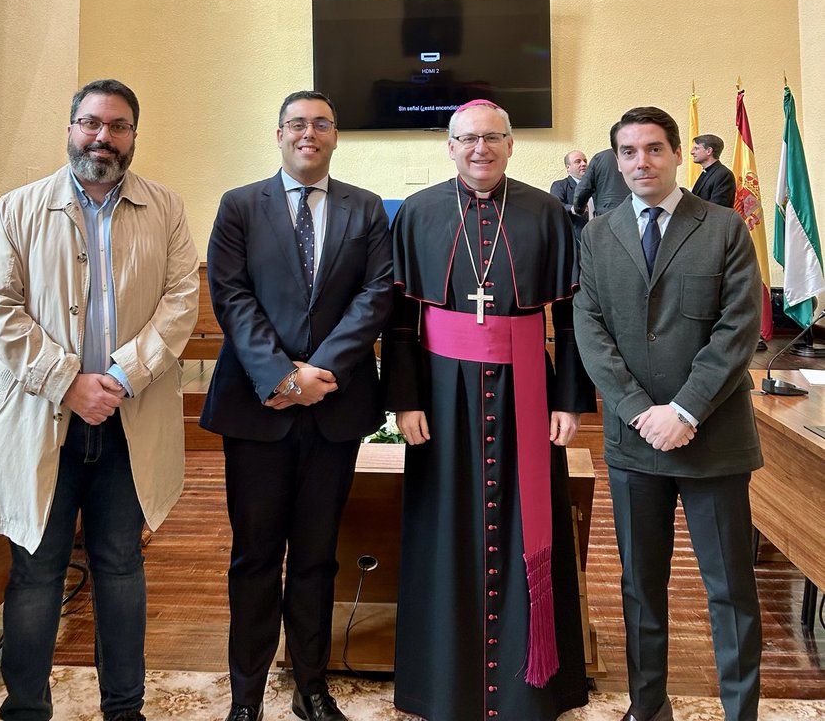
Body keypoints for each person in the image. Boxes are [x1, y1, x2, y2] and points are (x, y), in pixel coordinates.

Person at [0, 79, 200, 721]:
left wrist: (123, 376)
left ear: (134, 135)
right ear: (70, 127)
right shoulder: (17, 208)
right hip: (44, 420)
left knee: (121, 567)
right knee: (37, 574)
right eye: (91, 123)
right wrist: (68, 381)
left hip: (130, 421)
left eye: (118, 126)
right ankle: (26, 710)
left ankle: (124, 709)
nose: (103, 137)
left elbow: (182, 301)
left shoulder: (166, 208)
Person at [384, 99, 595, 721]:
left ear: (511, 145)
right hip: (441, 391)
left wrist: (570, 399)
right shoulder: (418, 213)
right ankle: (441, 680)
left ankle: (537, 683)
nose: (480, 149)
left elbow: (570, 317)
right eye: (467, 139)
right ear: (449, 147)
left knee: (532, 521)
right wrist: (405, 399)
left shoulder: (547, 212)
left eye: (493, 138)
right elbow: (399, 320)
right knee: (444, 522)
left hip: (528, 382)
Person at [199, 91, 393, 721]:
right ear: (278, 134)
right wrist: (282, 377)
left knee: (316, 556)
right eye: (297, 124)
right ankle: (247, 697)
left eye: (322, 124)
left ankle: (311, 688)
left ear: (335, 137)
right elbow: (229, 294)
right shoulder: (238, 205)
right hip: (257, 409)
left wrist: (320, 372)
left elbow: (376, 295)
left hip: (334, 409)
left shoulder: (366, 209)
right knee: (255, 557)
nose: (309, 133)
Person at [573, 107, 762, 721]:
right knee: (640, 590)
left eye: (653, 149)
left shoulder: (724, 226)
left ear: (678, 154)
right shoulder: (597, 235)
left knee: (730, 590)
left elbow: (739, 327)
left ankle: (741, 711)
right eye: (627, 152)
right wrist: (635, 410)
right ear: (615, 160)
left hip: (713, 437)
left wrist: (685, 409)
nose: (641, 163)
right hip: (635, 444)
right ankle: (647, 707)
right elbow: (590, 328)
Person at [572, 145, 630, 217]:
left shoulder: (600, 158)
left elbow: (583, 189)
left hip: (607, 213)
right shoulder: (638, 155)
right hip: (635, 211)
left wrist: (579, 209)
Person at [549, 149, 590, 242]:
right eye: (578, 161)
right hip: (577, 240)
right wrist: (572, 208)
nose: (583, 164)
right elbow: (556, 206)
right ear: (568, 167)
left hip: (598, 237)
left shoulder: (595, 186)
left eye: (585, 161)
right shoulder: (560, 185)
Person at [690, 133, 737, 207]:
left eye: (696, 148)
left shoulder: (724, 175)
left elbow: (717, 210)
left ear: (709, 151)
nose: (691, 152)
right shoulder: (706, 172)